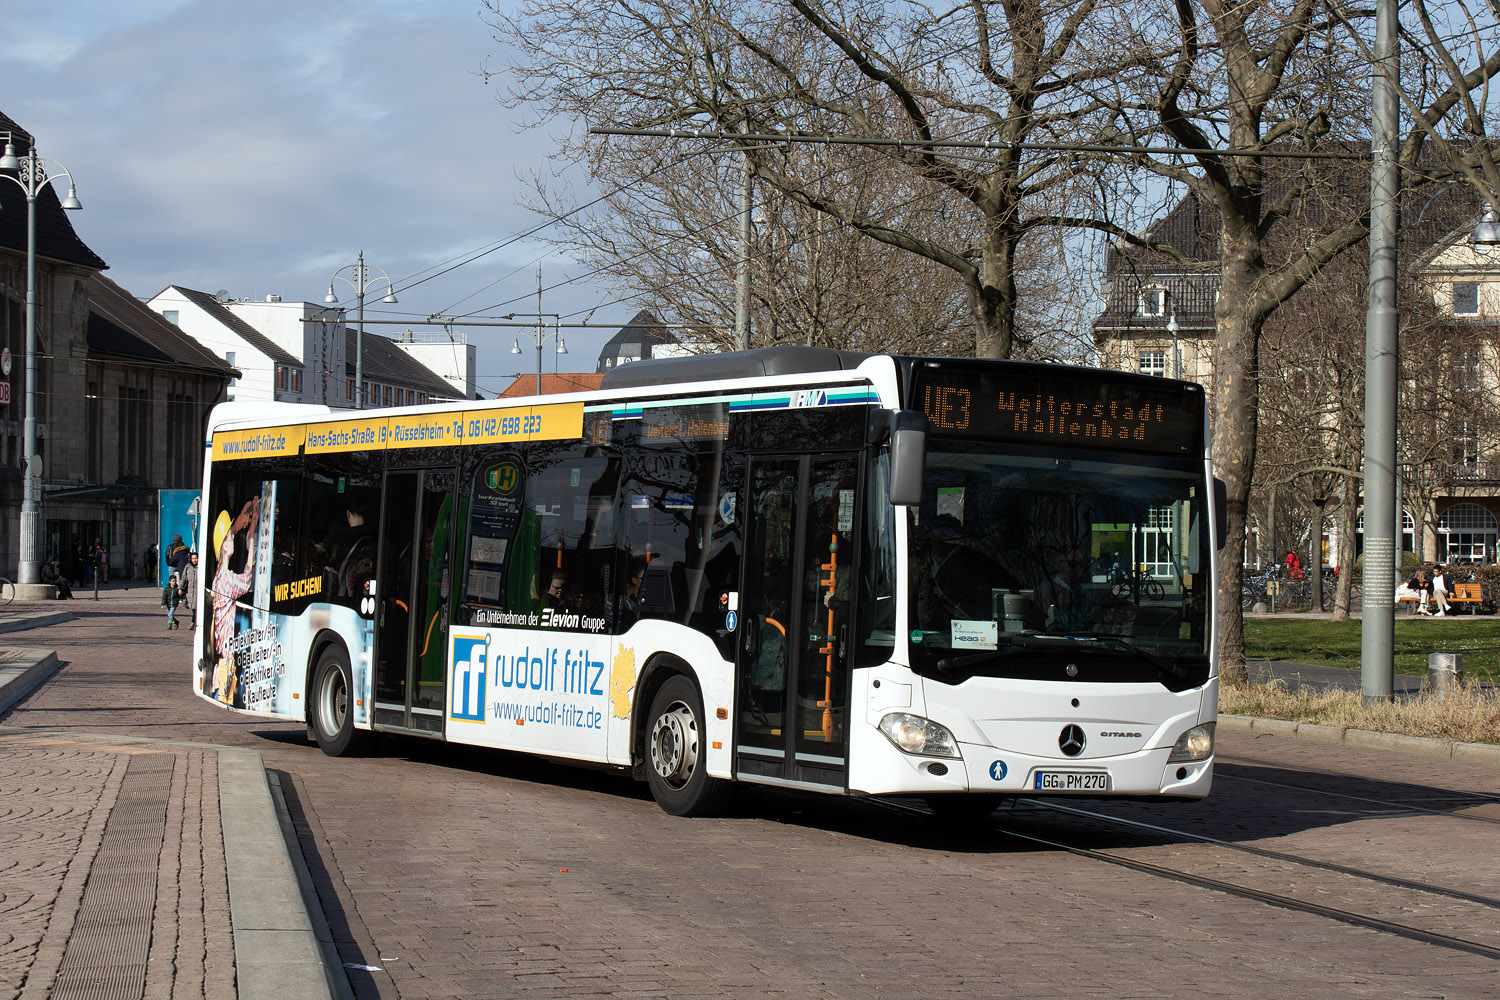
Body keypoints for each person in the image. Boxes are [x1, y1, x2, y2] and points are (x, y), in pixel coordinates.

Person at [180, 551, 199, 626]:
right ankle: (194, 621)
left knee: (196, 608)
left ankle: (193, 621)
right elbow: (183, 578)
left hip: (198, 590)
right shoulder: (188, 567)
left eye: (196, 558)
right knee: (193, 607)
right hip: (190, 590)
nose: (195, 560)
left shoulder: (201, 566)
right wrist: (180, 588)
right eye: (193, 558)